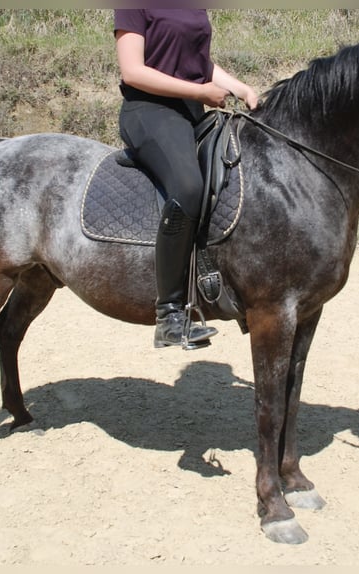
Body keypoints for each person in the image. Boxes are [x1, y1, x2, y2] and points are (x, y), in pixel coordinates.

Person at [114, 9, 258, 349]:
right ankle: (169, 315)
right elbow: (132, 71)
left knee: (234, 176)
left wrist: (241, 88)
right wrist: (198, 94)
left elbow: (200, 65)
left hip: (192, 114)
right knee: (189, 188)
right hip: (148, 111)